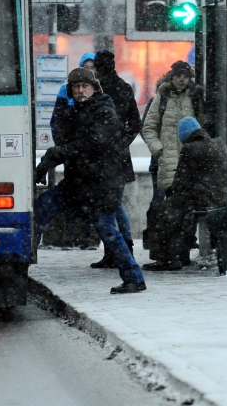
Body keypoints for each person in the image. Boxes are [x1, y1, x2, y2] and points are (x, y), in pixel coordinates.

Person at [34, 67, 146, 294]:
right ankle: (22, 261)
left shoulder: (104, 110)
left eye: (85, 86)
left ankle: (134, 277)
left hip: (100, 183)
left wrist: (54, 155)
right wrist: (49, 160)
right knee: (40, 209)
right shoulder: (75, 111)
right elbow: (63, 139)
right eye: (75, 87)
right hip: (78, 183)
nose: (80, 90)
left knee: (108, 231)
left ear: (94, 88)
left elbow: (93, 144)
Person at [143, 117, 226, 271]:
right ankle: (180, 256)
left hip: (202, 197)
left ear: (184, 135)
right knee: (179, 208)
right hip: (219, 196)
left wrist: (171, 191)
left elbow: (181, 181)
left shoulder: (190, 149)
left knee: (160, 211)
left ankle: (168, 258)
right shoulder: (217, 144)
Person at [83, 50, 141, 269]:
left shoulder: (96, 90)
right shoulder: (124, 88)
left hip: (99, 154)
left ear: (97, 66)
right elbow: (135, 122)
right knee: (115, 203)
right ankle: (123, 249)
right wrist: (121, 143)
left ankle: (115, 250)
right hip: (118, 154)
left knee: (108, 205)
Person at [141, 61, 204, 197]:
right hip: (167, 161)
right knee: (171, 204)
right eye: (178, 75)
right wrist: (158, 149)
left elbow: (203, 128)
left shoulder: (195, 97)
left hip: (190, 161)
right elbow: (148, 127)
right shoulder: (162, 97)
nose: (181, 79)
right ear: (172, 77)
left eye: (185, 76)